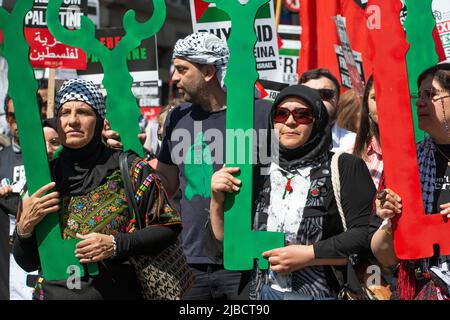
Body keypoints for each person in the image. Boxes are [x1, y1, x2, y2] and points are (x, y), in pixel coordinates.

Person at [12, 79, 182, 300]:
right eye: (64, 113)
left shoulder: (130, 169)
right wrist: (24, 229)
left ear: (100, 121)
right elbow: (27, 262)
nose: (72, 121)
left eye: (83, 112)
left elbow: (168, 227)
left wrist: (115, 244)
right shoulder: (42, 179)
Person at [210, 85, 375, 300]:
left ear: (318, 120)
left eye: (302, 115)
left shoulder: (344, 166)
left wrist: (309, 255)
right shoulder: (255, 168)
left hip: (323, 293)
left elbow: (363, 234)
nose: (289, 122)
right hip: (257, 295)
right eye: (281, 114)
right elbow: (226, 243)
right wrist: (216, 201)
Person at [154, 32, 272, 300]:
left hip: (245, 260)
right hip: (190, 259)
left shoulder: (261, 113)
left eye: (183, 70)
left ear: (208, 71)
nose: (174, 78)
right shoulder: (177, 117)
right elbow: (166, 184)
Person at [370, 62, 450, 300]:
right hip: (419, 290)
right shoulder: (405, 163)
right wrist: (390, 222)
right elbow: (384, 256)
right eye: (419, 95)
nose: (420, 102)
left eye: (431, 95)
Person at [0, 95, 42, 300]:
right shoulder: (1, 159)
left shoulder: (52, 156)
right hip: (8, 266)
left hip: (44, 260)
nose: (18, 121)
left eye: (24, 114)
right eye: (12, 116)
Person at [299, 69, 356, 153]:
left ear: (338, 101)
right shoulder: (279, 141)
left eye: (325, 94)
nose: (316, 99)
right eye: (308, 93)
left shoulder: (355, 143)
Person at [353, 76, 383, 189]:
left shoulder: (424, 154)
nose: (382, 103)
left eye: (390, 95)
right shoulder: (351, 155)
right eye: (375, 98)